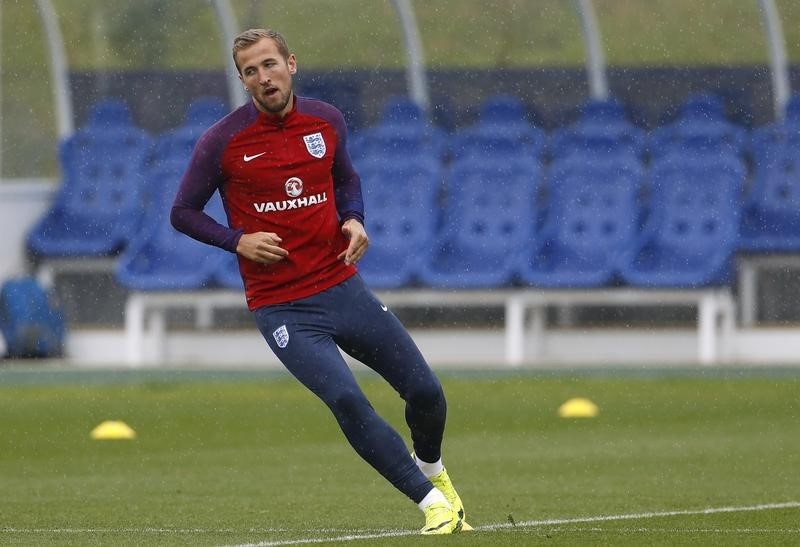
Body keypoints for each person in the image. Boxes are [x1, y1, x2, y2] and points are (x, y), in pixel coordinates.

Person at [171, 28, 470, 535]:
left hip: (342, 287)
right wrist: (237, 240)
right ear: (242, 80)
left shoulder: (325, 120)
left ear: (291, 63)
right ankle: (432, 506)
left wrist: (354, 217)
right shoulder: (222, 142)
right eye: (250, 71)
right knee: (348, 400)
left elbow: (345, 177)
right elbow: (182, 212)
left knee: (426, 392)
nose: (263, 77)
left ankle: (433, 472)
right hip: (282, 306)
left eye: (269, 64)